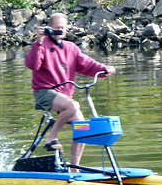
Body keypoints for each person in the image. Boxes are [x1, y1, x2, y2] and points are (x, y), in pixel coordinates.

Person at [25, 12, 116, 170]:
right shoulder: (42, 46)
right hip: (44, 92)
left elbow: (87, 64)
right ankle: (52, 137)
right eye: (56, 28)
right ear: (49, 28)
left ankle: (75, 169)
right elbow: (32, 65)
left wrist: (104, 69)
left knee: (83, 128)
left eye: (62, 28)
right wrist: (38, 42)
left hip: (64, 97)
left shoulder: (71, 48)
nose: (60, 31)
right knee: (73, 105)